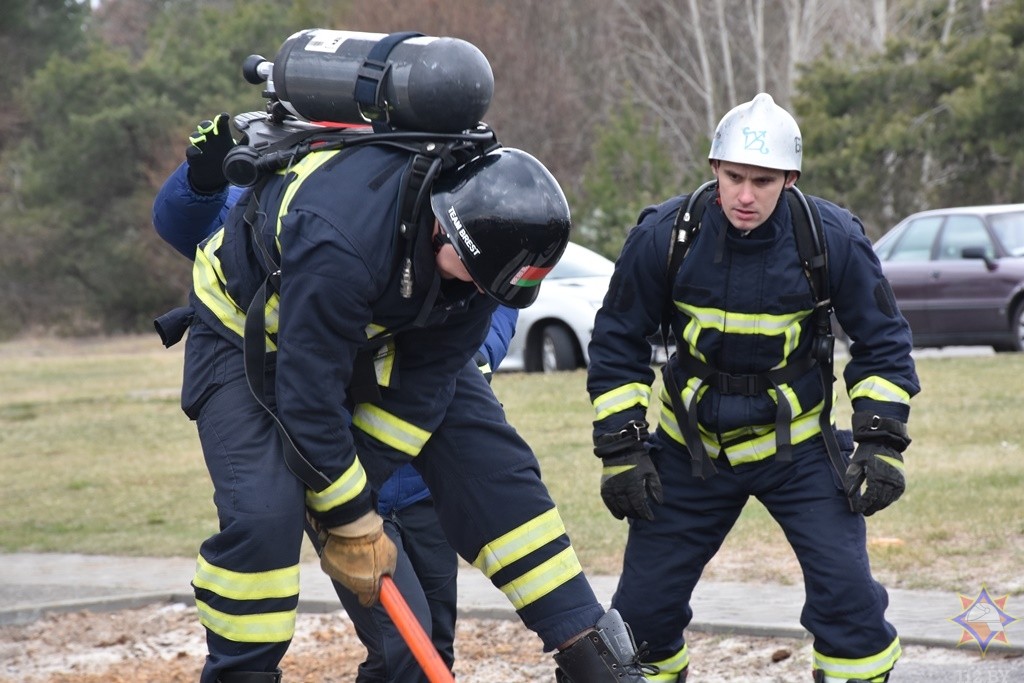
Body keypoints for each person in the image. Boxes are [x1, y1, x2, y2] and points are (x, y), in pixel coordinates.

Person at [156, 113, 653, 683]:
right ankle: (241, 673)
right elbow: (309, 394)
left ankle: (593, 653)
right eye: (472, 274)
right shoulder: (343, 235)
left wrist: (352, 494)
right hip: (248, 343)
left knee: (496, 468)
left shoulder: (482, 266)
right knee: (264, 517)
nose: (474, 292)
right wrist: (348, 516)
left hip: (375, 342)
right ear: (443, 226)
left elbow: (426, 389)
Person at [586, 93, 920, 683]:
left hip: (799, 456)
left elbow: (884, 341)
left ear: (789, 179)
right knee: (637, 627)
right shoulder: (665, 236)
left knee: (852, 610)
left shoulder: (831, 238)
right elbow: (618, 341)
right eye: (734, 177)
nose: (745, 196)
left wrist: (880, 442)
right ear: (714, 168)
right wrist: (623, 450)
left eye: (762, 181)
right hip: (691, 454)